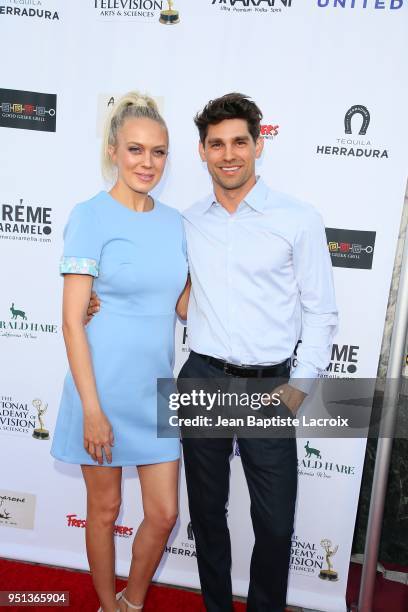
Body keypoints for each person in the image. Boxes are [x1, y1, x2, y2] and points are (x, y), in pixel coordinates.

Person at [89, 93, 338, 611]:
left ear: (257, 145)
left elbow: (321, 312)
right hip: (202, 379)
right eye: (216, 144)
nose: (229, 155)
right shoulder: (186, 221)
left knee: (274, 523)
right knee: (206, 515)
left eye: (239, 142)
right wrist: (97, 298)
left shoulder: (298, 219)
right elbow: (160, 286)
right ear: (202, 152)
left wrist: (299, 387)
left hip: (272, 386)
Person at [50, 92, 189, 612]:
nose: (147, 163)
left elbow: (184, 306)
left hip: (156, 391)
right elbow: (71, 319)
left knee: (164, 513)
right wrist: (91, 409)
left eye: (158, 152)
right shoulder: (90, 216)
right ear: (113, 150)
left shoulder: (176, 222)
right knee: (105, 509)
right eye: (135, 150)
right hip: (101, 388)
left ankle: (133, 602)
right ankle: (109, 606)